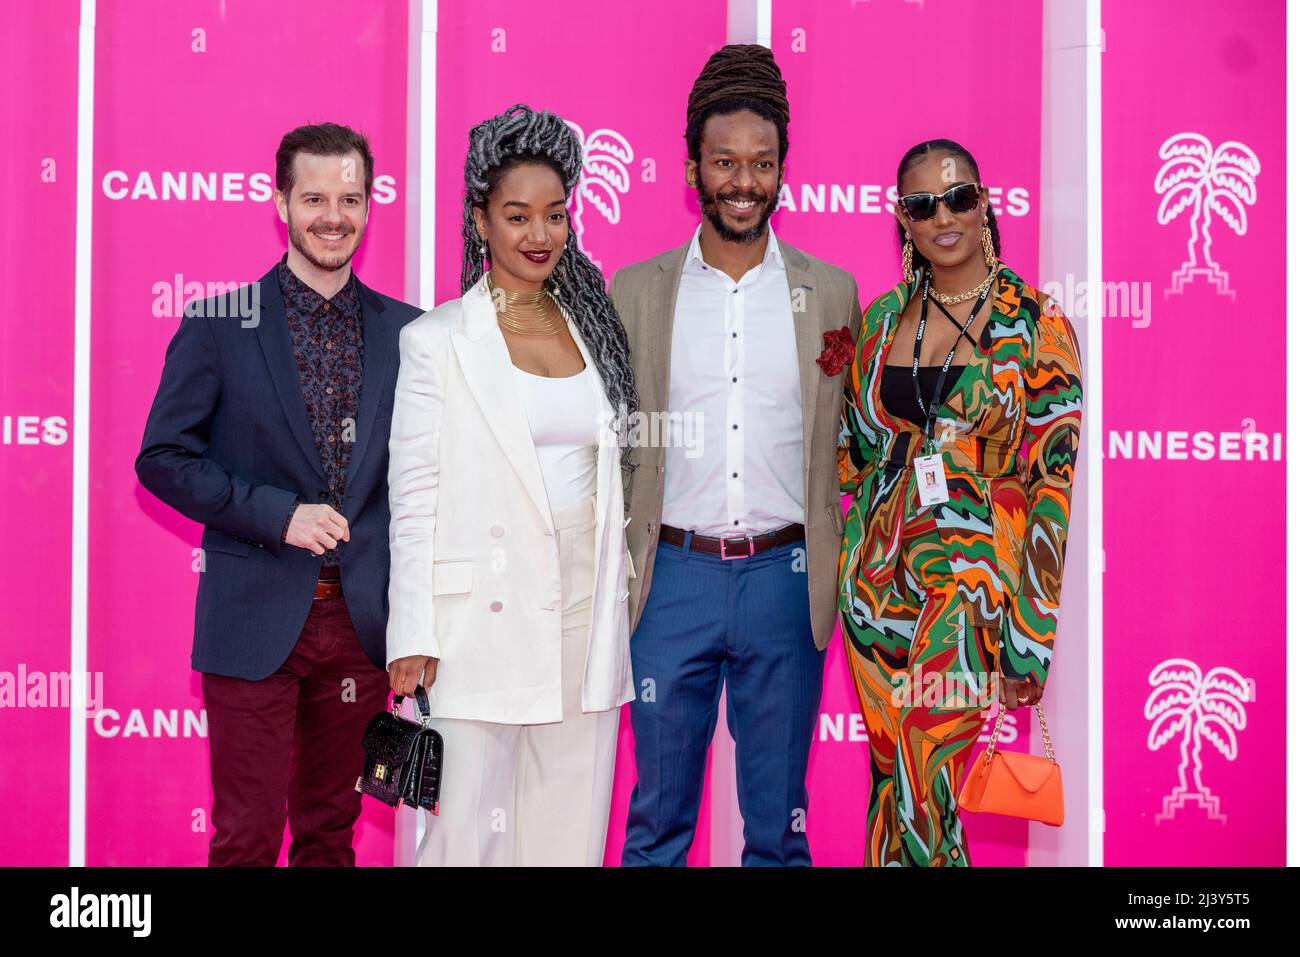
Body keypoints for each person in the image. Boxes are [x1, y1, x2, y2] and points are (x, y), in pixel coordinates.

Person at [135, 122, 422, 866]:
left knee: (331, 838)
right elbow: (161, 458)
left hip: (363, 632)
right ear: (280, 203)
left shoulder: (413, 336)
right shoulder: (220, 324)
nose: (334, 215)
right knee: (246, 840)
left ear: (369, 204)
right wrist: (278, 515)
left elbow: (428, 482)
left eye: (350, 198)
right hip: (254, 621)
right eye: (315, 197)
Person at [611, 44, 862, 866]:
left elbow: (852, 439)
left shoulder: (831, 293)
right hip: (668, 581)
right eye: (725, 162)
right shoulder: (636, 290)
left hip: (786, 585)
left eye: (761, 163)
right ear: (693, 169)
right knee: (654, 827)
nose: (744, 181)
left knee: (780, 832)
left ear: (784, 169)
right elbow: (612, 442)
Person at [385, 105, 638, 867]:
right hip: (475, 630)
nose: (539, 235)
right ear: (480, 220)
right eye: (517, 215)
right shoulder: (436, 341)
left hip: (582, 616)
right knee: (467, 842)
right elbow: (413, 495)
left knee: (566, 839)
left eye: (555, 215)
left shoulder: (595, 328)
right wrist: (413, 634)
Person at [837, 139, 1083, 866]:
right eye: (921, 205)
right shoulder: (883, 320)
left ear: (984, 204)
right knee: (895, 778)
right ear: (902, 220)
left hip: (973, 585)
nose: (942, 216)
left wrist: (1030, 634)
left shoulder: (1037, 323)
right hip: (877, 584)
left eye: (958, 198)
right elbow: (851, 453)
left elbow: (1052, 488)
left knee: (924, 765)